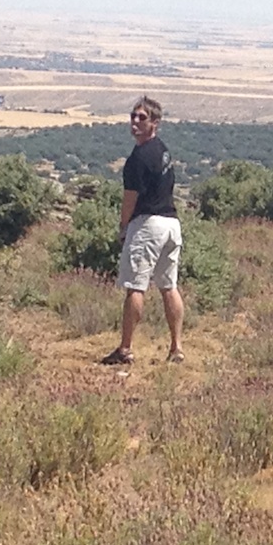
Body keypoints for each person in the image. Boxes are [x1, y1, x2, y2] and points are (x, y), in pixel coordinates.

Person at [101, 96, 185, 365]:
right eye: (133, 116)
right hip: (171, 224)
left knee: (135, 287)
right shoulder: (162, 150)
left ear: (155, 123)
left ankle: (125, 349)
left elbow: (130, 198)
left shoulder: (137, 158)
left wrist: (124, 226)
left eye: (142, 118)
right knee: (168, 286)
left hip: (149, 226)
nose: (135, 122)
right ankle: (176, 348)